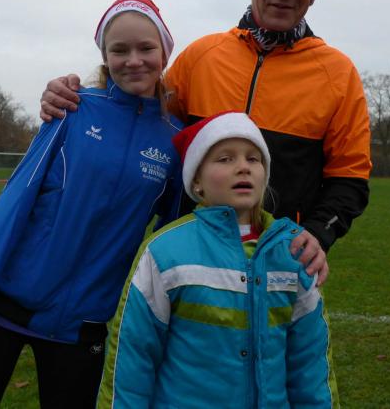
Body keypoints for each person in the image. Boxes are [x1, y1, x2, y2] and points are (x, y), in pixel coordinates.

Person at [39, 0, 372, 283]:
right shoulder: (202, 56)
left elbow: (350, 179)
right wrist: (78, 95)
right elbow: (138, 112)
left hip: (278, 265)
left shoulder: (338, 74)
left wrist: (319, 232)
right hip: (188, 263)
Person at [0, 0, 183, 408]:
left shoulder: (174, 140)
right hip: (4, 309)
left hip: (83, 326)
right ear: (105, 57)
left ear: (165, 52)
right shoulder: (71, 109)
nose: (133, 60)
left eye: (146, 48)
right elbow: (15, 200)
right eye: (119, 50)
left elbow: (172, 236)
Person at [97, 111, 336, 408]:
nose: (243, 167)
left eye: (253, 159)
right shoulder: (165, 251)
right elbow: (132, 361)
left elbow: (310, 365)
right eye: (225, 159)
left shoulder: (294, 252)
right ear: (197, 181)